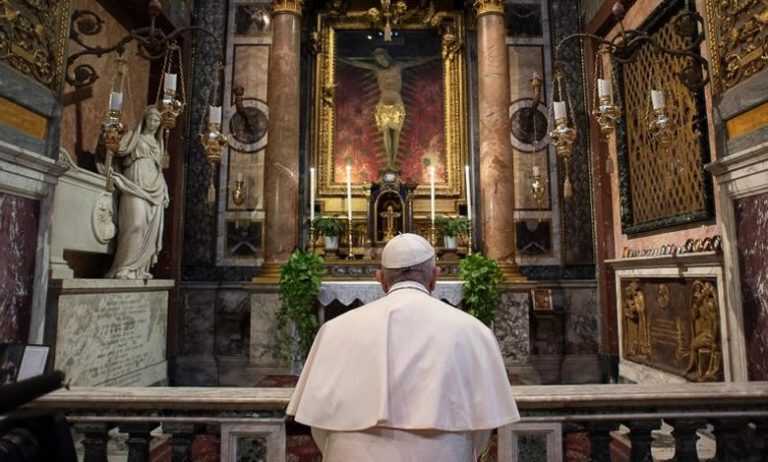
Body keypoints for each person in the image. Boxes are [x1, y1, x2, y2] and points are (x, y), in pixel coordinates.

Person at [287, 233, 519, 461]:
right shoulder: (473, 331)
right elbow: (482, 427)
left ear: (381, 279)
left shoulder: (334, 330)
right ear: (435, 277)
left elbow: (319, 425)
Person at [339, 49, 436, 171]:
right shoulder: (377, 70)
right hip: (383, 102)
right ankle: (389, 163)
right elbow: (359, 64)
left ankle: (393, 162)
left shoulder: (398, 66)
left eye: (382, 58)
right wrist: (341, 59)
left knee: (395, 134)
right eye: (378, 60)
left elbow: (416, 62)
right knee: (385, 132)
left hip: (396, 101)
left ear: (387, 57)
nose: (381, 61)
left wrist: (433, 57)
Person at [105, 105, 170, 279]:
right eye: (151, 119)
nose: (154, 123)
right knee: (135, 224)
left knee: (148, 228)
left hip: (155, 186)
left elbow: (160, 169)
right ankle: (124, 266)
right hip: (134, 182)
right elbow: (119, 149)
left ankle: (138, 269)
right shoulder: (134, 137)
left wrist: (165, 190)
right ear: (145, 119)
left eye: (157, 120)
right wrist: (110, 135)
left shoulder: (158, 143)